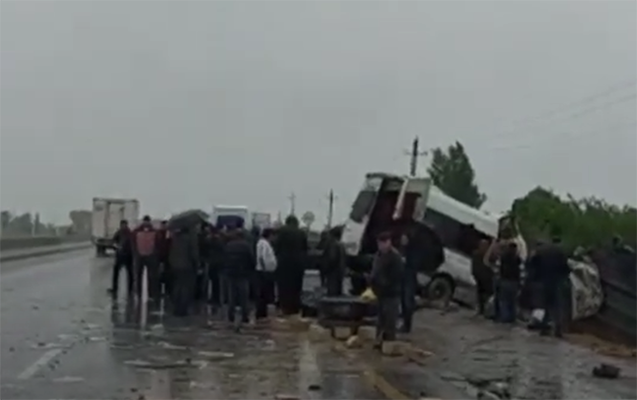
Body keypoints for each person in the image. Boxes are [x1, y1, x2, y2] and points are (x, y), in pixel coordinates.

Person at [370, 232, 404, 348]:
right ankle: (378, 342)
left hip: (391, 294)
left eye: (382, 243)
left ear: (388, 242)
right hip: (380, 293)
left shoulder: (395, 257)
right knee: (380, 319)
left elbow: (397, 276)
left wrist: (383, 283)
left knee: (390, 320)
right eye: (378, 244)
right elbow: (375, 271)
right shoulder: (378, 255)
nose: (380, 246)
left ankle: (389, 345)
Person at [537, 234, 571, 337]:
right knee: (557, 306)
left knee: (547, 305)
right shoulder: (561, 252)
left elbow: (536, 265)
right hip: (557, 282)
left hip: (545, 281)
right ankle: (558, 329)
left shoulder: (543, 251)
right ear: (559, 242)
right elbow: (565, 268)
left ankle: (544, 327)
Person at [274, 215, 308, 316]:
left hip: (284, 262)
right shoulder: (301, 233)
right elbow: (305, 248)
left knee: (284, 286)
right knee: (296, 286)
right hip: (298, 263)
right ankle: (295, 308)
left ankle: (284, 307)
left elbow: (277, 246)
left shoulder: (282, 231)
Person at [224, 226, 255, 330]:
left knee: (231, 295)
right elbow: (251, 259)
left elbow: (224, 258)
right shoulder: (246, 246)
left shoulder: (228, 245)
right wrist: (251, 270)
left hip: (230, 273)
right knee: (243, 296)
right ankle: (245, 316)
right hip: (243, 273)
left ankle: (230, 315)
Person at [168, 225, 200, 316]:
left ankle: (176, 308)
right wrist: (197, 264)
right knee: (185, 288)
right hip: (187, 266)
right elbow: (194, 254)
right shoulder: (190, 239)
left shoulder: (175, 238)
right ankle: (183, 309)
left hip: (175, 266)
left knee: (177, 286)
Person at [132, 216, 160, 302]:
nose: (146, 223)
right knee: (139, 276)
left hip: (148, 256)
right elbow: (132, 243)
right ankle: (139, 293)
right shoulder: (137, 231)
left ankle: (149, 294)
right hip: (141, 256)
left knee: (150, 277)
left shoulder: (138, 231)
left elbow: (158, 244)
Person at [497, 241, 522, 324]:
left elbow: (500, 267)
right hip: (514, 281)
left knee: (504, 300)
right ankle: (512, 317)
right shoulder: (517, 259)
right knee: (512, 301)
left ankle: (505, 317)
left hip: (505, 280)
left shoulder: (504, 257)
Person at [255, 228, 277, 320]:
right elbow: (262, 257)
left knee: (263, 293)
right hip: (264, 271)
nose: (274, 238)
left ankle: (262, 312)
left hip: (264, 270)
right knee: (263, 292)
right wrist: (264, 269)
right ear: (270, 235)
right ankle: (261, 313)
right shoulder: (264, 244)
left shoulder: (263, 243)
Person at [398, 231, 418, 333]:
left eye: (405, 238)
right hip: (402, 278)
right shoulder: (401, 250)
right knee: (402, 301)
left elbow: (414, 265)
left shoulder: (412, 252)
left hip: (409, 278)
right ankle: (403, 323)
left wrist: (407, 261)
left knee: (407, 301)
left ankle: (407, 324)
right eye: (402, 238)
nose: (403, 240)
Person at [109, 220, 134, 298]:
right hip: (125, 255)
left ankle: (117, 288)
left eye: (124, 225)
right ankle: (129, 289)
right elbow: (113, 242)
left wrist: (116, 248)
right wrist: (116, 248)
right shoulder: (129, 233)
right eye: (122, 225)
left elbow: (113, 242)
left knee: (126, 273)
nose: (123, 226)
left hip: (124, 255)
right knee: (128, 273)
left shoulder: (123, 233)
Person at [321, 226, 346, 297]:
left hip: (333, 272)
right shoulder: (341, 245)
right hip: (340, 271)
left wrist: (325, 268)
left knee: (332, 293)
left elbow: (332, 258)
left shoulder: (333, 244)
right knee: (338, 292)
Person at [471, 239, 493, 317]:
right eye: (483, 245)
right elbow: (474, 266)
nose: (484, 247)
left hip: (486, 279)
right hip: (480, 277)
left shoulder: (488, 255)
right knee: (480, 295)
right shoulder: (477, 254)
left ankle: (483, 310)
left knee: (485, 295)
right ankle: (480, 309)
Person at [156, 220, 171, 297]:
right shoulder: (159, 234)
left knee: (166, 274)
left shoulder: (168, 234)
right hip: (161, 256)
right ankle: (161, 290)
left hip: (165, 256)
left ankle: (165, 290)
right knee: (160, 274)